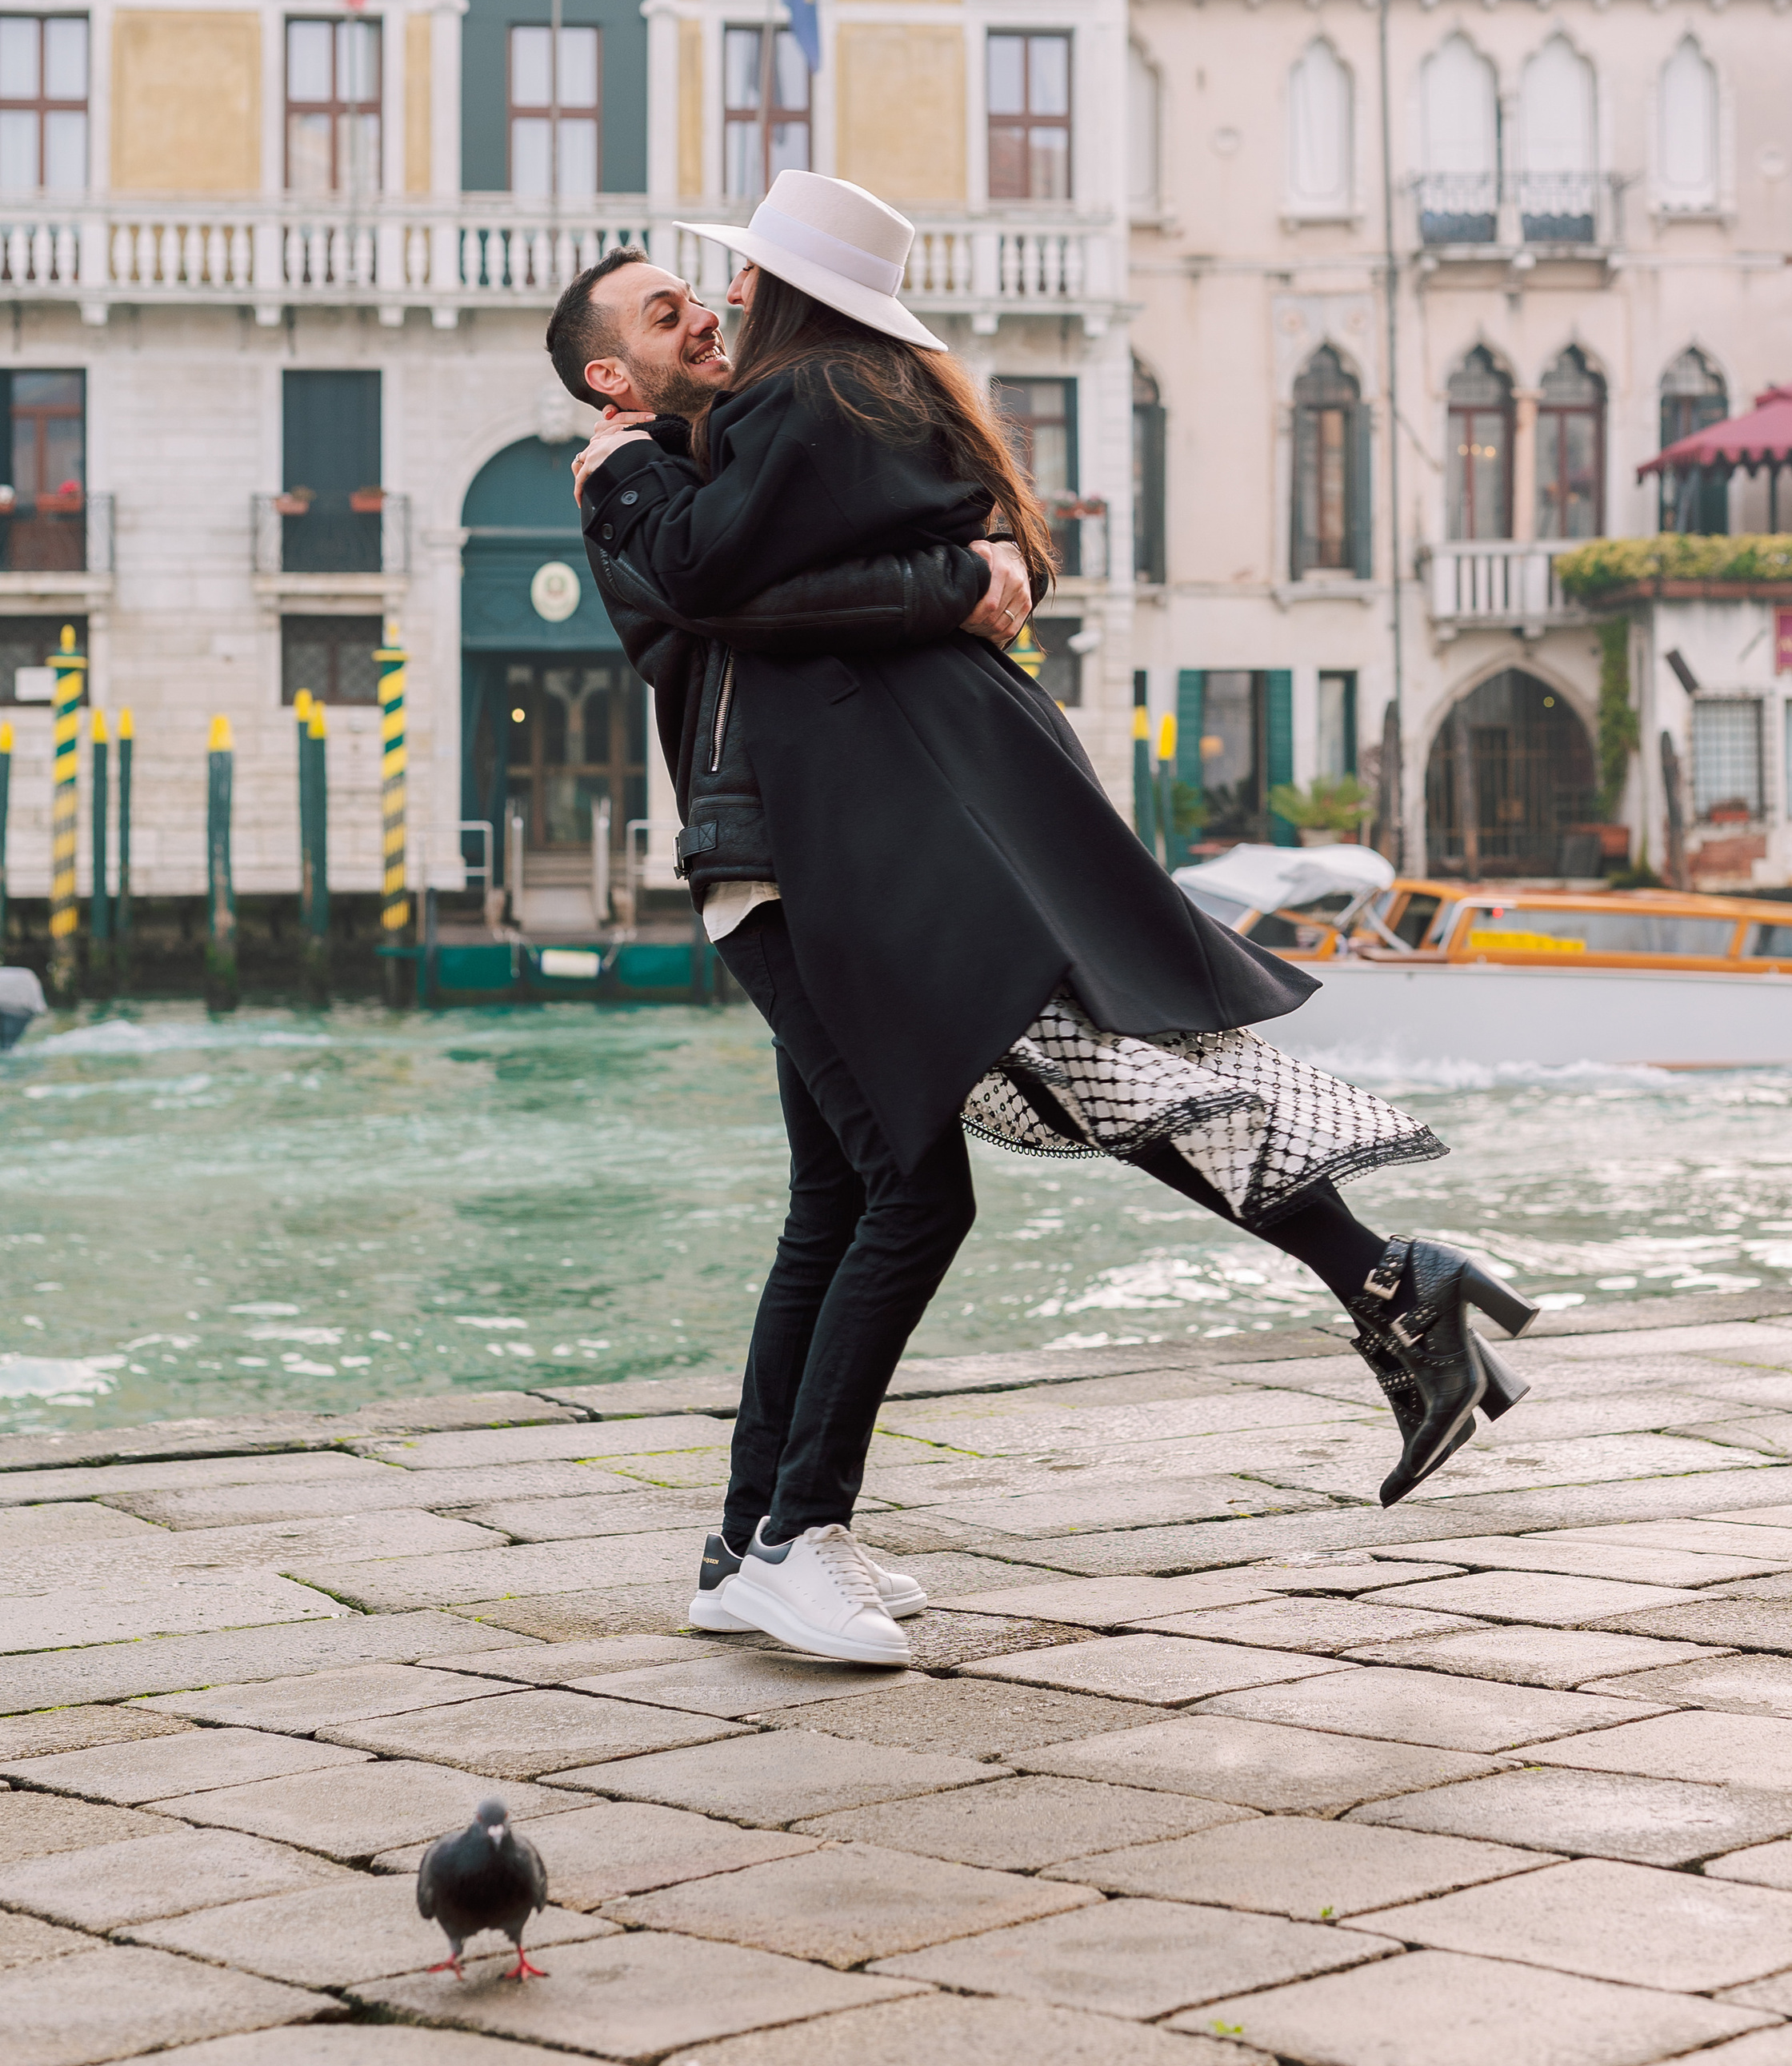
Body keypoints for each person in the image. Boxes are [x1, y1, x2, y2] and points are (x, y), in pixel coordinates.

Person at [547, 172, 1534, 1665]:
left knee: (932, 1156)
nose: (713, 308)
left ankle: (764, 1535)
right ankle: (785, 1532)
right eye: (677, 307)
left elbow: (765, 584)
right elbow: (718, 598)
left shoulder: (772, 429)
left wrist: (949, 578)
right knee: (957, 1155)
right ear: (616, 369)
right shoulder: (721, 451)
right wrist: (954, 580)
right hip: (824, 853)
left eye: (725, 289)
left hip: (871, 846)